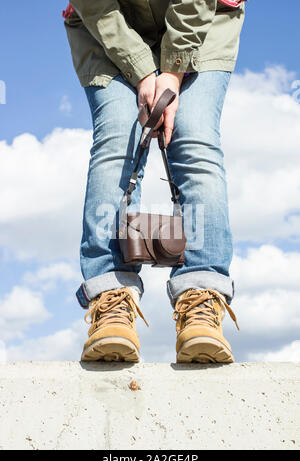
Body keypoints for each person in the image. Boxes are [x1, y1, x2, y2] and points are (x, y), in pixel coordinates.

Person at [63, 0, 245, 363]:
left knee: (194, 141)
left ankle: (202, 297)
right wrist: (144, 73)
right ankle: (110, 298)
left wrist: (172, 71)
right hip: (107, 27)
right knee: (119, 141)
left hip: (202, 23)